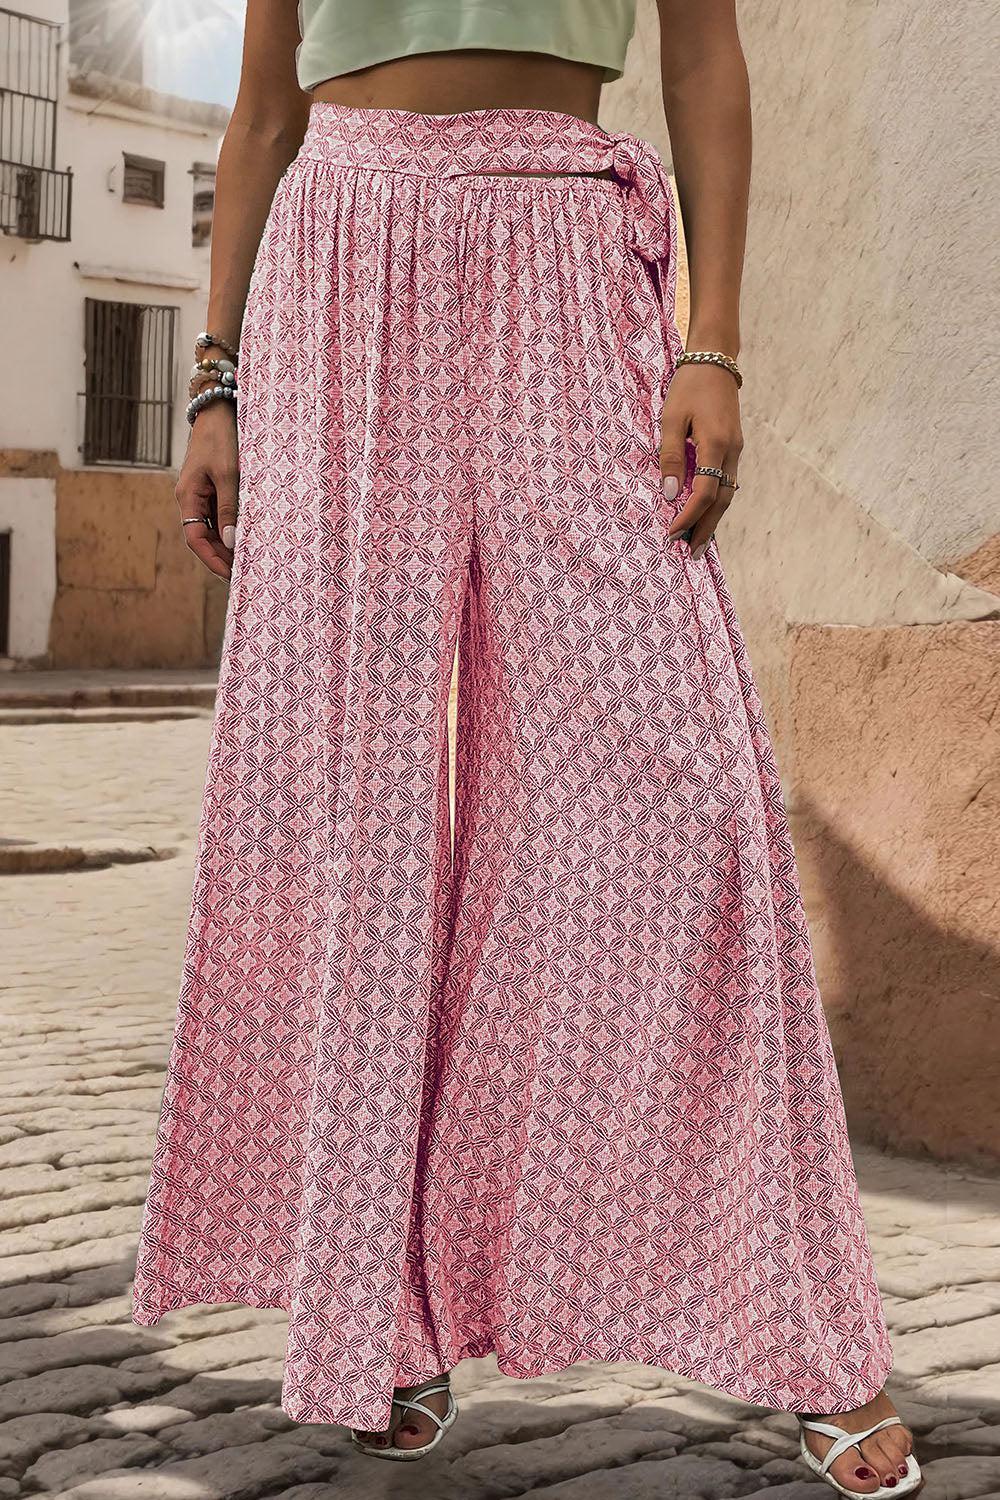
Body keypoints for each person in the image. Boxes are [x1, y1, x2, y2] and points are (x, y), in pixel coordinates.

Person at [131, 3, 921, 1494]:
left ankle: (813, 1334)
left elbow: (702, 59)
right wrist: (215, 377)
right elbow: (259, 112)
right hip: (336, 261)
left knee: (689, 799)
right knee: (342, 796)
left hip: (562, 251)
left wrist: (714, 342)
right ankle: (380, 1307)